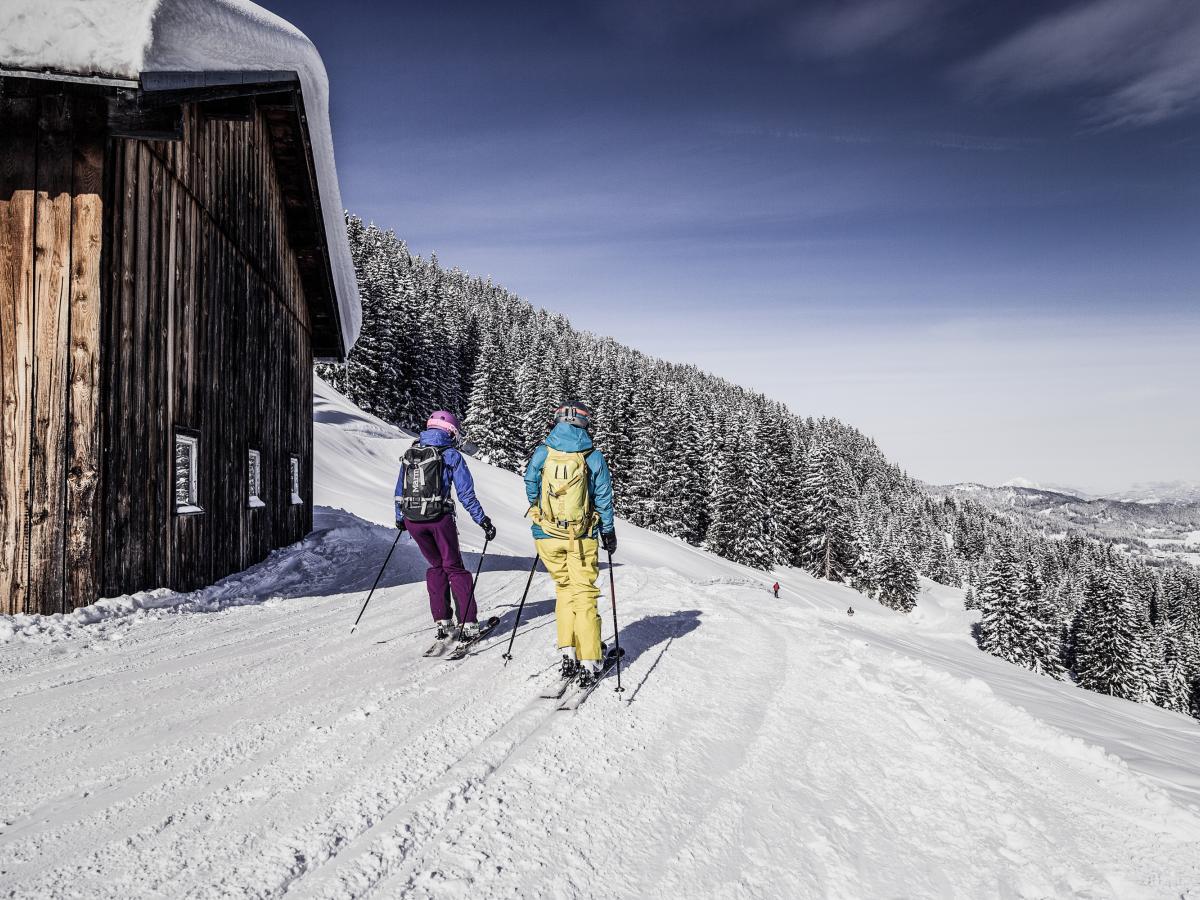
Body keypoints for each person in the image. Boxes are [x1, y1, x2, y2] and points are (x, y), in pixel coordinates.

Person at [524, 400, 617, 688]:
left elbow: (530, 482)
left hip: (547, 535)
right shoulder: (592, 456)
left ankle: (568, 653)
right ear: (584, 423)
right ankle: (590, 659)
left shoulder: (543, 452)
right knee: (585, 596)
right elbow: (603, 496)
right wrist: (608, 532)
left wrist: (538, 510)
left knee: (564, 590)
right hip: (580, 537)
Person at [395, 411, 496, 645]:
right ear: (450, 431)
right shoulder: (451, 455)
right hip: (439, 518)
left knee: (436, 566)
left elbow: (400, 489)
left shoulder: (411, 453)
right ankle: (469, 623)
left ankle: (442, 621)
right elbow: (465, 494)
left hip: (413, 520)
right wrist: (482, 520)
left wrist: (400, 517)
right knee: (455, 568)